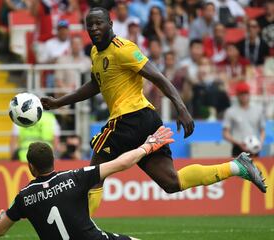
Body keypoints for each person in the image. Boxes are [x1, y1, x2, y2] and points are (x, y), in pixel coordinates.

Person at [41, 7, 267, 216]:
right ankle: (237, 167)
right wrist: (59, 102)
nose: (94, 29)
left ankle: (80, 231)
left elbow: (158, 76)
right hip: (144, 121)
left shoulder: (125, 49)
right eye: (89, 25)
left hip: (130, 118)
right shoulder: (95, 53)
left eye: (99, 23)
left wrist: (181, 107)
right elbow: (95, 84)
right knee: (171, 182)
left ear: (110, 23)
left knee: (94, 175)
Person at [0, 127, 175, 239]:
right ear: (53, 160)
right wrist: (148, 146)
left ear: (31, 167)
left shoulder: (24, 197)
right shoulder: (75, 177)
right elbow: (121, 163)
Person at [223, 82, 266, 157]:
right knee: (236, 169)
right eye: (241, 94)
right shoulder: (230, 111)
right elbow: (225, 133)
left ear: (249, 94)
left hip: (254, 147)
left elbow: (262, 130)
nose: (244, 96)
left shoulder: (258, 110)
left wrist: (260, 143)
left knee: (255, 168)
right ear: (237, 95)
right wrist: (238, 143)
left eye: (246, 93)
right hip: (238, 148)